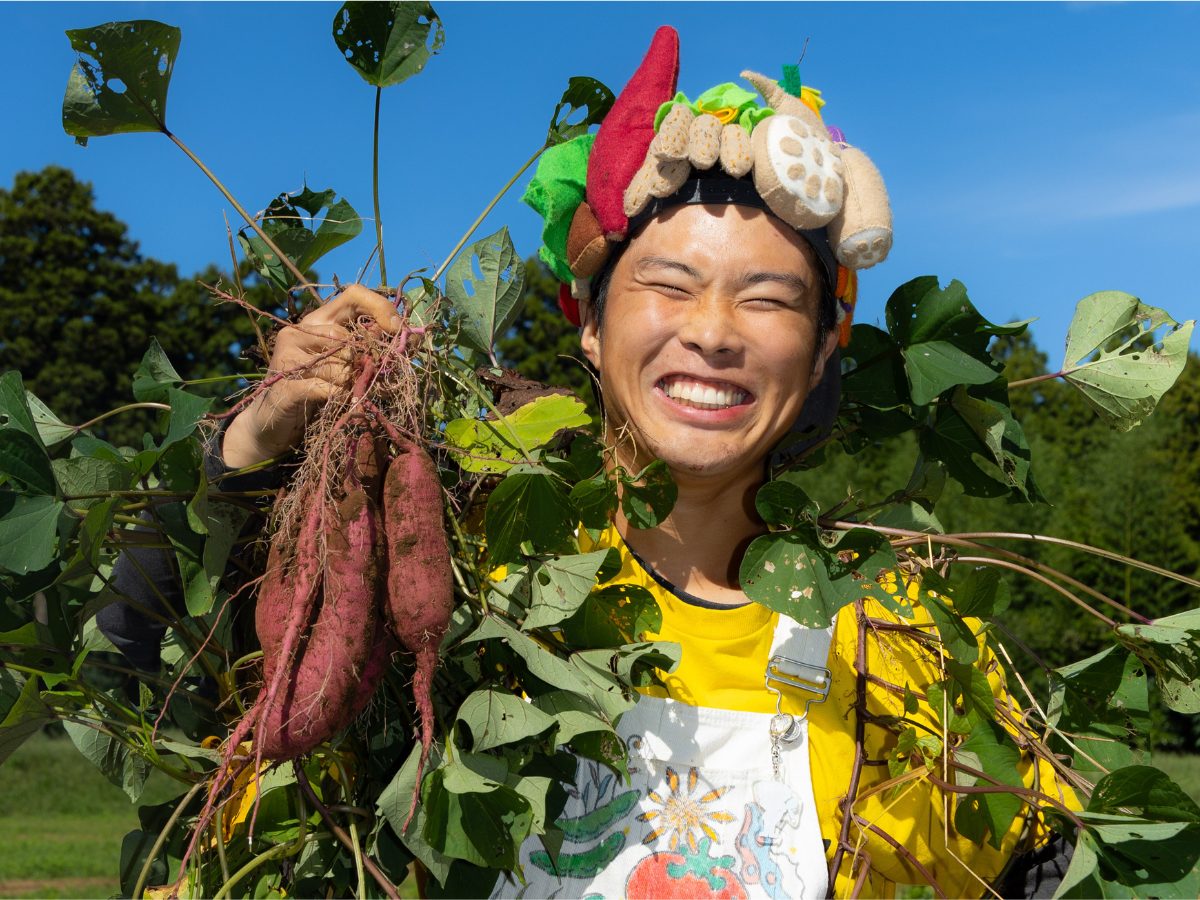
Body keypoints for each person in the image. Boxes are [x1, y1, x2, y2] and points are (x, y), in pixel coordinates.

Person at [113, 26, 1076, 899]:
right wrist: (256, 446)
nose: (712, 335)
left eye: (769, 300)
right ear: (588, 322)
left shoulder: (898, 637)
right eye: (668, 282)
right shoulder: (456, 562)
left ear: (825, 344)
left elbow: (1049, 869)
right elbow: (146, 685)